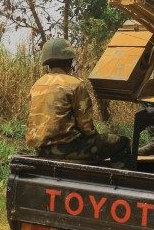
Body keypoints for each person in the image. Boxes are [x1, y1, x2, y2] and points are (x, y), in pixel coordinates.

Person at [25, 38, 132, 168]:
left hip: (42, 149)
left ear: (47, 62)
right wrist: (94, 138)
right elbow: (86, 127)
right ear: (69, 61)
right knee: (122, 143)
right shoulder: (75, 84)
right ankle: (118, 184)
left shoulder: (37, 85)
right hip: (68, 148)